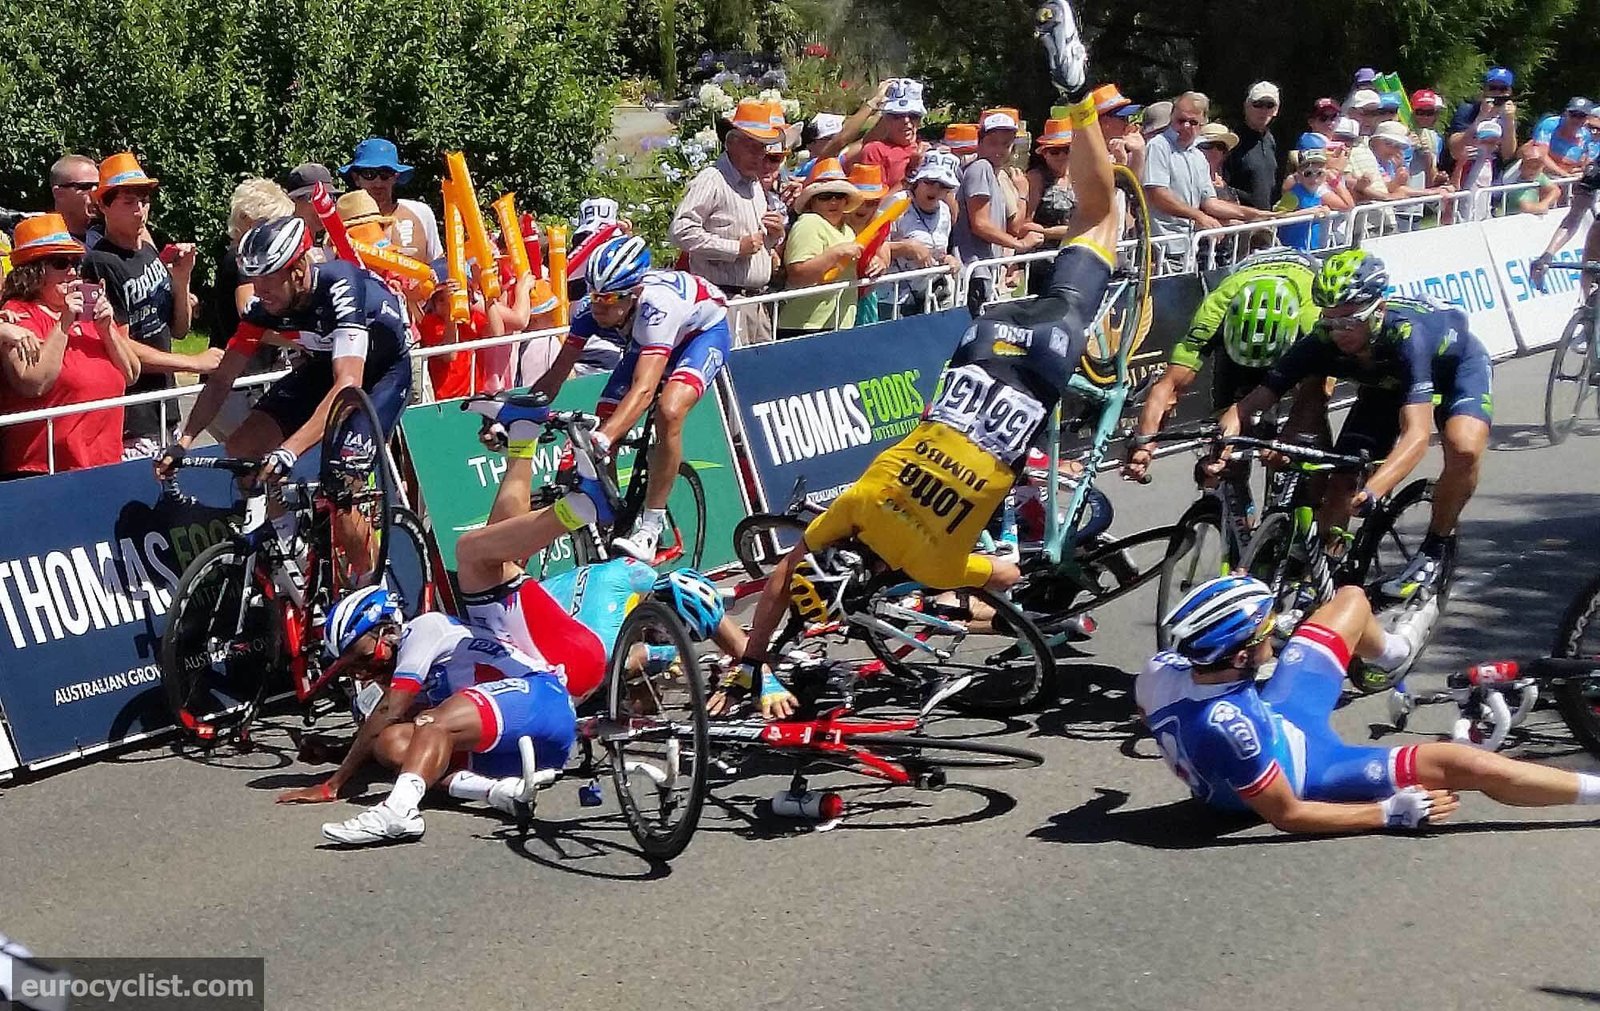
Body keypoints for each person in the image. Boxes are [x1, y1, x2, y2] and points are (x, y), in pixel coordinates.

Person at [727, 0, 1119, 717]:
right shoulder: (858, 499)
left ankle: (1078, 99)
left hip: (1034, 377)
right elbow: (786, 569)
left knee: (1103, 224)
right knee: (1098, 217)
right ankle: (1072, 93)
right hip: (977, 351)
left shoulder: (929, 565)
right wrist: (755, 655)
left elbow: (1002, 575)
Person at [1141, 575, 1600, 835]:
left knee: (1351, 600)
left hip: (1276, 719)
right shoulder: (1230, 728)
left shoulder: (1158, 671)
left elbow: (1163, 716)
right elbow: (1287, 815)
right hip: (1307, 769)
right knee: (1467, 764)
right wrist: (1388, 813)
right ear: (1241, 657)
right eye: (1269, 629)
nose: (1279, 628)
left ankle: (1390, 658)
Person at [1219, 249, 1493, 600]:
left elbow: (1417, 435)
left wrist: (1375, 489)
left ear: (1378, 310)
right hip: (1386, 386)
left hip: (1455, 372)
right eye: (1330, 321)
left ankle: (1436, 546)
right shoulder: (1322, 338)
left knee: (1463, 447)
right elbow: (1252, 403)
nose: (1338, 333)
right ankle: (1324, 576)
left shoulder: (1409, 337)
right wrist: (1225, 441)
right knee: (1342, 478)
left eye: (1349, 321)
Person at [154, 216, 413, 552]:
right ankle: (291, 546)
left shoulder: (341, 284)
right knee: (243, 449)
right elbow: (221, 380)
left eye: (268, 280)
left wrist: (289, 450)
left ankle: (370, 587)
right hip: (326, 367)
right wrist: (183, 442)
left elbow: (348, 388)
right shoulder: (264, 309)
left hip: (382, 375)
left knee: (342, 487)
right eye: (253, 279)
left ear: (298, 269)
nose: (259, 291)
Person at [276, 586, 578, 846]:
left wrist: (334, 784)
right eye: (351, 665)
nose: (362, 671)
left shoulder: (425, 629)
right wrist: (335, 752)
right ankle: (499, 793)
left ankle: (399, 812)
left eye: (364, 657)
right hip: (519, 756)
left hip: (543, 700)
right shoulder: (413, 668)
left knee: (431, 722)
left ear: (387, 630)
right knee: (391, 743)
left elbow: (388, 710)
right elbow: (386, 728)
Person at [525, 236, 731, 562]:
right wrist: (522, 411)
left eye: (608, 299)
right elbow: (556, 374)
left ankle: (650, 528)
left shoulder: (657, 307)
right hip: (645, 343)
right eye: (594, 297)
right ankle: (608, 523)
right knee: (605, 422)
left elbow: (645, 389)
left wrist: (604, 438)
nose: (599, 307)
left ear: (634, 294)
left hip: (699, 336)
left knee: (668, 410)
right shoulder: (591, 311)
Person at [1124, 245, 1322, 482]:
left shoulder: (1313, 315)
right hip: (1241, 296)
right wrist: (1145, 447)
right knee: (1225, 449)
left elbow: (1318, 390)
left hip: (1297, 301)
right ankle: (1230, 499)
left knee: (1312, 416)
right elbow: (1168, 386)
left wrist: (1289, 438)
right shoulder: (1215, 309)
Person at [80, 152, 219, 457]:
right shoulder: (100, 262)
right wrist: (194, 362)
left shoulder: (149, 250)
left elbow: (179, 329)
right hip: (134, 414)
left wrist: (182, 280)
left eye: (143, 200)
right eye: (128, 202)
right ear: (103, 205)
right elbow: (121, 342)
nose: (140, 210)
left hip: (165, 407)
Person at [0, 215, 141, 477]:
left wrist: (107, 329)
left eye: (76, 262)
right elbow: (34, 383)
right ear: (34, 271)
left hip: (103, 462)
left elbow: (132, 374)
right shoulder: (18, 315)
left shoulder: (86, 312)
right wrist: (64, 323)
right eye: (61, 263)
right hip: (44, 471)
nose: (73, 272)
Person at [668, 98, 789, 342]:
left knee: (762, 374)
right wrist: (735, 248)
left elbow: (755, 243)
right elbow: (680, 231)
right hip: (723, 302)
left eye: (764, 148)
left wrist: (774, 236)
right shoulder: (712, 180)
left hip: (755, 302)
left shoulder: (754, 184)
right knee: (730, 374)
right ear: (731, 143)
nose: (760, 155)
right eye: (753, 147)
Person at [954, 107, 1044, 309]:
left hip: (987, 269)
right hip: (974, 270)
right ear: (980, 143)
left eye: (1006, 144)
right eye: (993, 142)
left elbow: (1011, 226)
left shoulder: (996, 175)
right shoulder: (981, 168)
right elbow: (980, 224)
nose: (1000, 149)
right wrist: (1019, 245)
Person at [777, 158, 868, 336]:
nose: (833, 201)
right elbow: (797, 274)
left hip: (840, 322)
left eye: (839, 196)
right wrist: (835, 253)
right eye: (825, 197)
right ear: (812, 201)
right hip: (805, 325)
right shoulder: (809, 223)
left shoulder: (847, 230)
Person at [340, 138, 441, 262]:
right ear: (356, 178)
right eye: (369, 174)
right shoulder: (343, 222)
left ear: (395, 177)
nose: (378, 183)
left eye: (385, 173)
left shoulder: (420, 212)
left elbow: (438, 262)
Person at [887, 152, 961, 316]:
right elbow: (875, 249)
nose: (935, 189)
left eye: (943, 185)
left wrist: (947, 259)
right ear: (918, 181)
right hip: (893, 299)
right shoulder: (897, 203)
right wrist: (907, 247)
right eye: (930, 181)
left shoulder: (944, 211)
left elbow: (939, 251)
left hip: (930, 298)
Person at [1530, 162, 1600, 298]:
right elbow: (1575, 215)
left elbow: (1574, 216)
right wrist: (1548, 255)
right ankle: (1586, 305)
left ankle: (1586, 305)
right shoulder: (1595, 171)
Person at [850, 78, 927, 189]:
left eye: (913, 115)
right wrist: (911, 170)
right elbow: (875, 204)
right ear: (886, 119)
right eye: (897, 116)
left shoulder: (926, 149)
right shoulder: (875, 151)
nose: (906, 121)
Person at [1225, 81, 1282, 211]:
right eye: (1258, 104)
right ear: (1246, 106)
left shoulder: (1271, 140)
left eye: (1270, 105)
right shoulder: (1232, 140)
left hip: (1267, 219)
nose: (1264, 110)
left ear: (1276, 110)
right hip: (1240, 221)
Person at [1530, 97, 1596, 176]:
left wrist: (1582, 169)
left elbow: (1583, 161)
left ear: (1587, 118)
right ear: (1566, 113)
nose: (1576, 119)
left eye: (1581, 116)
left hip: (1567, 178)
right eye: (1573, 114)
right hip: (1541, 174)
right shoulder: (1550, 124)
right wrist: (1564, 174)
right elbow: (1540, 155)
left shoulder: (1586, 135)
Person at [46, 155, 101, 246]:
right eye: (85, 186)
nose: (95, 192)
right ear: (58, 193)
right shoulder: (47, 245)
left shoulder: (100, 242)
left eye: (98, 186)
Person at [283, 163, 339, 245]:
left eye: (329, 196)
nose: (323, 204)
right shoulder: (281, 245)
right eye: (314, 197)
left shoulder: (330, 246)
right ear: (293, 201)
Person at [1501, 142, 1562, 214]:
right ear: (1521, 166)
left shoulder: (1539, 176)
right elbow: (1526, 207)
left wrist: (1545, 203)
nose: (1533, 170)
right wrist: (1541, 207)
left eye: (1537, 166)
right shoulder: (1512, 182)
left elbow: (1555, 190)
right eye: (1529, 166)